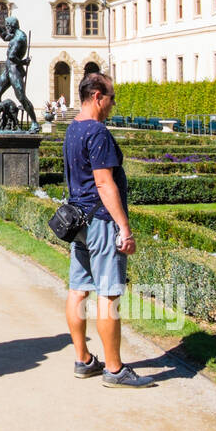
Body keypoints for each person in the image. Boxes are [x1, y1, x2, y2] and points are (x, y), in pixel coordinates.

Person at [63, 72, 155, 388]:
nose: (112, 105)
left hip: (77, 219)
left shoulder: (73, 128)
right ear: (99, 96)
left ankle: (83, 358)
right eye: (112, 98)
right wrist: (124, 228)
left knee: (78, 288)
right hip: (101, 219)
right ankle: (114, 369)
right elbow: (104, 182)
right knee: (108, 292)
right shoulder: (97, 132)